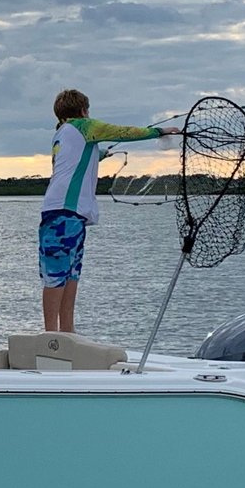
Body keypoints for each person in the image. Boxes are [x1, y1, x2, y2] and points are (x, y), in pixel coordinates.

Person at [39, 89, 179, 334]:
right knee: (56, 274)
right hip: (63, 211)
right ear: (83, 110)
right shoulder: (84, 126)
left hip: (69, 213)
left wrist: (100, 154)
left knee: (71, 274)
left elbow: (73, 161)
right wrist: (158, 131)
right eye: (88, 110)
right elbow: (122, 132)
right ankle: (50, 334)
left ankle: (67, 332)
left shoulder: (62, 134)